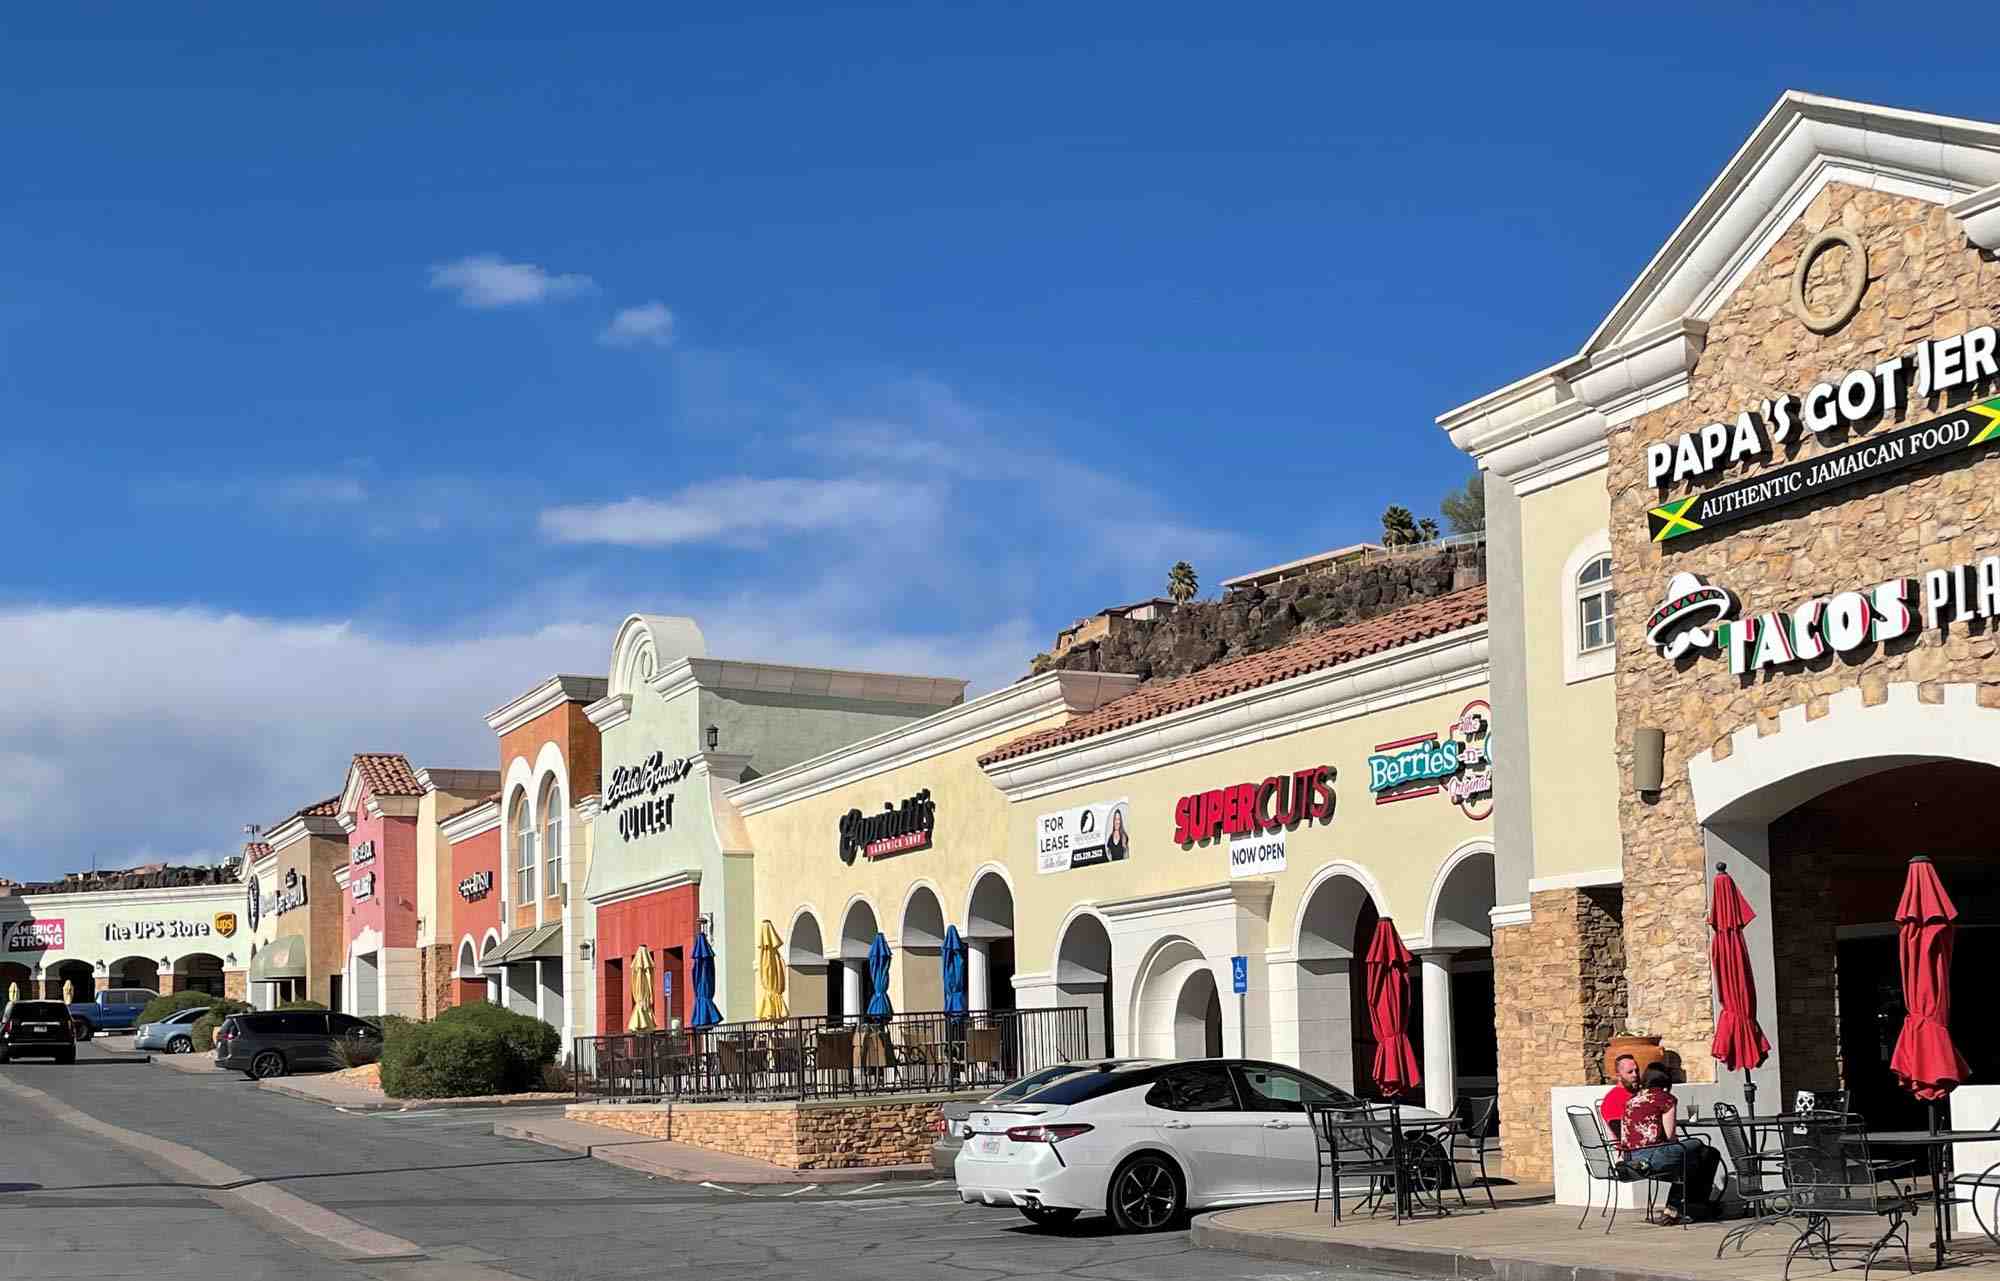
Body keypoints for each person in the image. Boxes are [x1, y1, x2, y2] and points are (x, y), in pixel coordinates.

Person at [1620, 1065, 1723, 1224]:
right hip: (1651, 1159)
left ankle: (1678, 1209)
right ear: (1666, 1081)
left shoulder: (1632, 1100)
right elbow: (1670, 1136)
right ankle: (1687, 1208)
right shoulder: (1665, 1098)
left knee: (1696, 1158)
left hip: (1629, 1160)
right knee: (1702, 1148)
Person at [1600, 1053, 1640, 1142]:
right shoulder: (1613, 1099)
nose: (1635, 1075)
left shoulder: (1639, 1092)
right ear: (1618, 1075)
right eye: (1630, 1072)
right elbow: (1621, 1134)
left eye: (1636, 1071)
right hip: (1635, 1149)